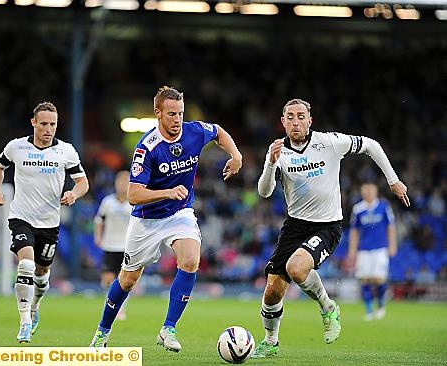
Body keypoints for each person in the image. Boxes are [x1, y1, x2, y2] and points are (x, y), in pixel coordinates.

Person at [89, 86, 243, 352]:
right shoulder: (146, 148)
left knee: (191, 260)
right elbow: (133, 194)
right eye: (171, 114)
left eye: (180, 114)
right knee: (127, 279)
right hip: (146, 220)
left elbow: (218, 131)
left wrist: (236, 155)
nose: (177, 120)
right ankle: (102, 332)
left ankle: (168, 328)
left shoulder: (194, 131)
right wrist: (167, 192)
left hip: (179, 213)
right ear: (157, 113)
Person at [254, 98, 410, 358]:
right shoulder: (278, 151)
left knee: (297, 267)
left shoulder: (328, 142)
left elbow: (371, 145)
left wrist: (393, 181)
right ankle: (271, 342)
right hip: (294, 226)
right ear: (282, 122)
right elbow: (265, 191)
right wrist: (270, 163)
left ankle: (328, 307)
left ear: (310, 120)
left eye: (301, 116)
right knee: (272, 293)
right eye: (290, 116)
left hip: (327, 225)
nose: (296, 121)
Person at [0, 101, 89, 343]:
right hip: (21, 217)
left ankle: (34, 306)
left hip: (49, 222)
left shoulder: (66, 151)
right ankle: (24, 321)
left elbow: (83, 182)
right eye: (43, 123)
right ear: (33, 122)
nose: (48, 129)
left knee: (42, 273)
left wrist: (74, 194)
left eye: (52, 124)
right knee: (26, 266)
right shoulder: (17, 147)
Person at [348, 182, 397, 321]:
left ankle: (381, 306)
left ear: (375, 192)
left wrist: (393, 245)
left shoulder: (383, 206)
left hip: (380, 247)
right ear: (362, 193)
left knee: (378, 278)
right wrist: (352, 250)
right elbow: (354, 231)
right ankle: (369, 310)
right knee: (364, 279)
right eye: (366, 191)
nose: (368, 193)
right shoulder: (358, 209)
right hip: (364, 249)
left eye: (371, 191)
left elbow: (391, 226)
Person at [93, 170, 131, 320]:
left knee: (124, 280)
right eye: (120, 181)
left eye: (125, 182)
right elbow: (99, 220)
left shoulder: (133, 204)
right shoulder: (108, 202)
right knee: (107, 279)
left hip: (126, 247)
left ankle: (120, 308)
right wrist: (98, 236)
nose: (122, 185)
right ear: (115, 183)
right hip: (109, 245)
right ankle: (110, 303)